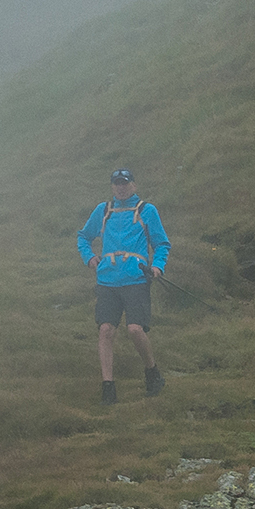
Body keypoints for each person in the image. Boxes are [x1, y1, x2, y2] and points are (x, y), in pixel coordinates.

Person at [76, 169, 170, 403]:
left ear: (134, 185)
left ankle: (152, 372)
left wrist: (157, 266)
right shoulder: (103, 210)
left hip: (136, 279)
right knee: (106, 330)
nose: (121, 187)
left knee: (135, 330)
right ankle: (108, 386)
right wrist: (89, 257)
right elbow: (83, 236)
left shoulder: (147, 210)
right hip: (107, 280)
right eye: (117, 183)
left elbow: (161, 244)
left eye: (125, 183)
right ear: (112, 187)